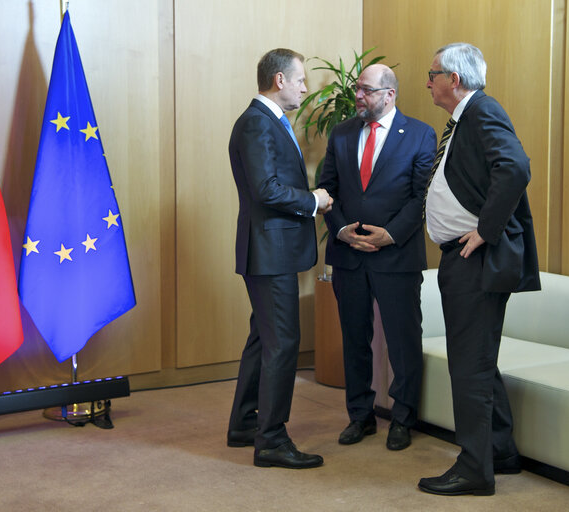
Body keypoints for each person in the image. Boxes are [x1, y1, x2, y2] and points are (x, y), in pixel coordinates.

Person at [418, 42, 541, 496]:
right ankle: (500, 451)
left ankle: (474, 469)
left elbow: (515, 167)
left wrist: (486, 231)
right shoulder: (464, 117)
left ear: (455, 78)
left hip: (478, 259)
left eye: (432, 74)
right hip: (463, 258)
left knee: (469, 367)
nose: (427, 82)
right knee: (478, 364)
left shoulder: (483, 109)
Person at [317, 64, 436, 451]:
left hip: (396, 256)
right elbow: (326, 188)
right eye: (357, 90)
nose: (358, 97)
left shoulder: (420, 134)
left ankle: (402, 418)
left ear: (390, 94)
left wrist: (392, 235)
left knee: (403, 341)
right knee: (354, 338)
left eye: (366, 90)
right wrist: (339, 229)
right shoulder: (342, 132)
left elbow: (422, 196)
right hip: (349, 253)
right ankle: (360, 416)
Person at [226, 48, 332, 469]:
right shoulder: (257, 123)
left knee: (263, 339)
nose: (306, 87)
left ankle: (244, 424)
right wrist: (313, 200)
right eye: (301, 80)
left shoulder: (269, 121)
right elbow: (266, 190)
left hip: (273, 250)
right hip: (270, 253)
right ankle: (270, 440)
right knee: (283, 344)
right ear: (280, 81)